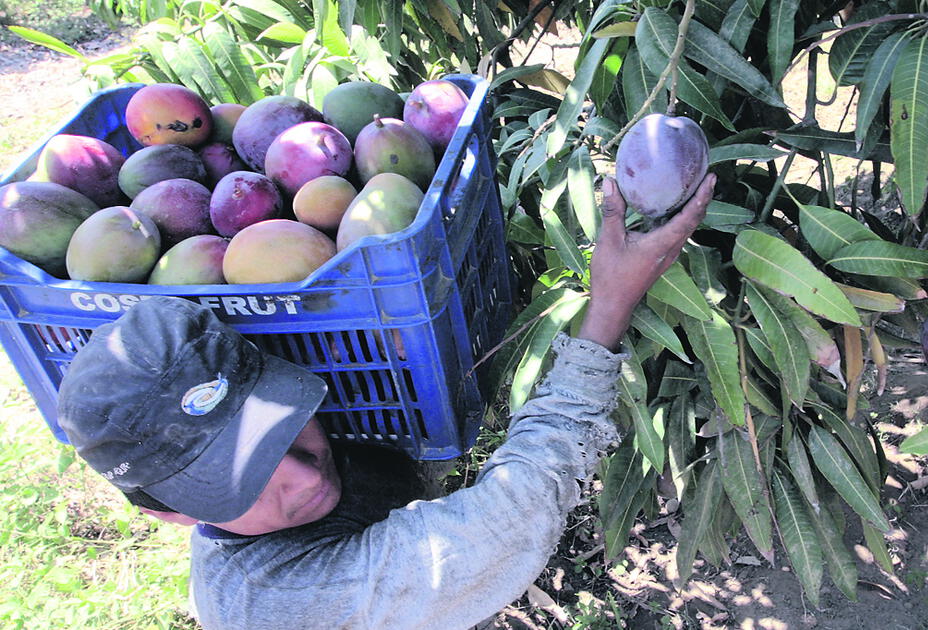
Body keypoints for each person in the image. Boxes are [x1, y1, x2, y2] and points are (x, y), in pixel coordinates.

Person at [55, 173, 716, 630]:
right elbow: (506, 522)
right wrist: (605, 312)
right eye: (246, 481)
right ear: (175, 520)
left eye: (284, 426)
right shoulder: (285, 602)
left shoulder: (316, 430)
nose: (306, 473)